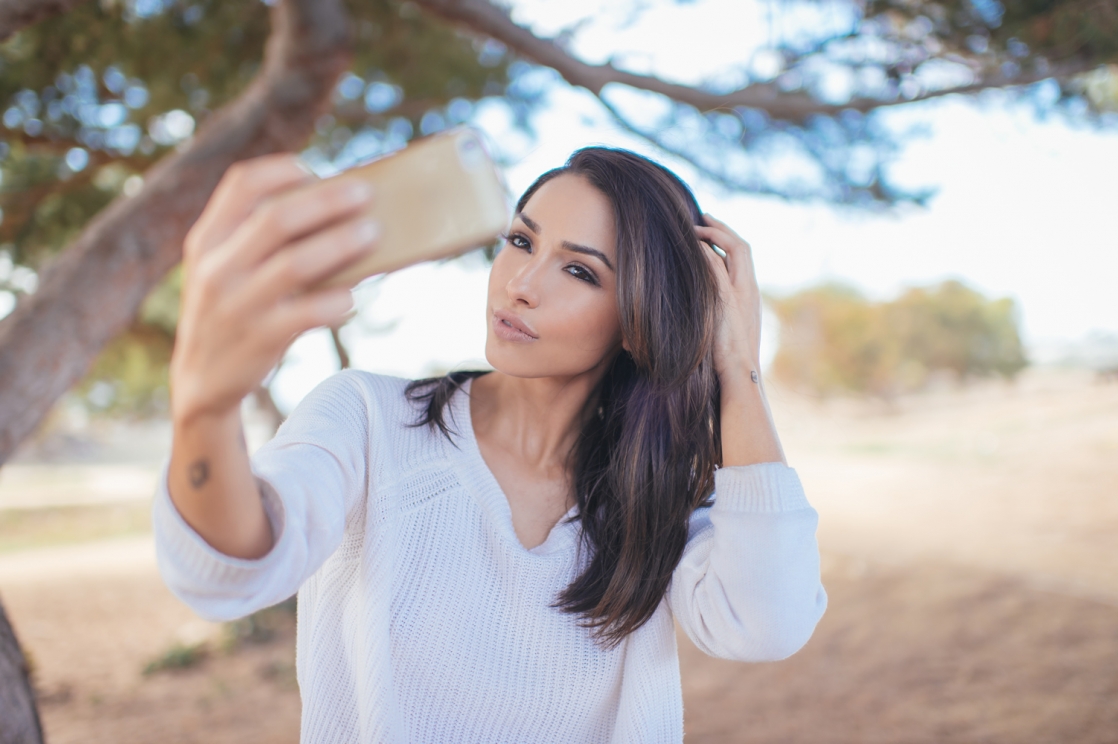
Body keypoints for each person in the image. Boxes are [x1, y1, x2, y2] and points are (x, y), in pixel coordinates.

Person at [154, 145, 827, 743]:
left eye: (581, 272)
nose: (521, 286)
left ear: (638, 318)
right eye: (521, 241)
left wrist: (737, 370)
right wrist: (206, 409)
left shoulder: (655, 492)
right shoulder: (365, 419)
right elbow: (233, 565)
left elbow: (767, 621)